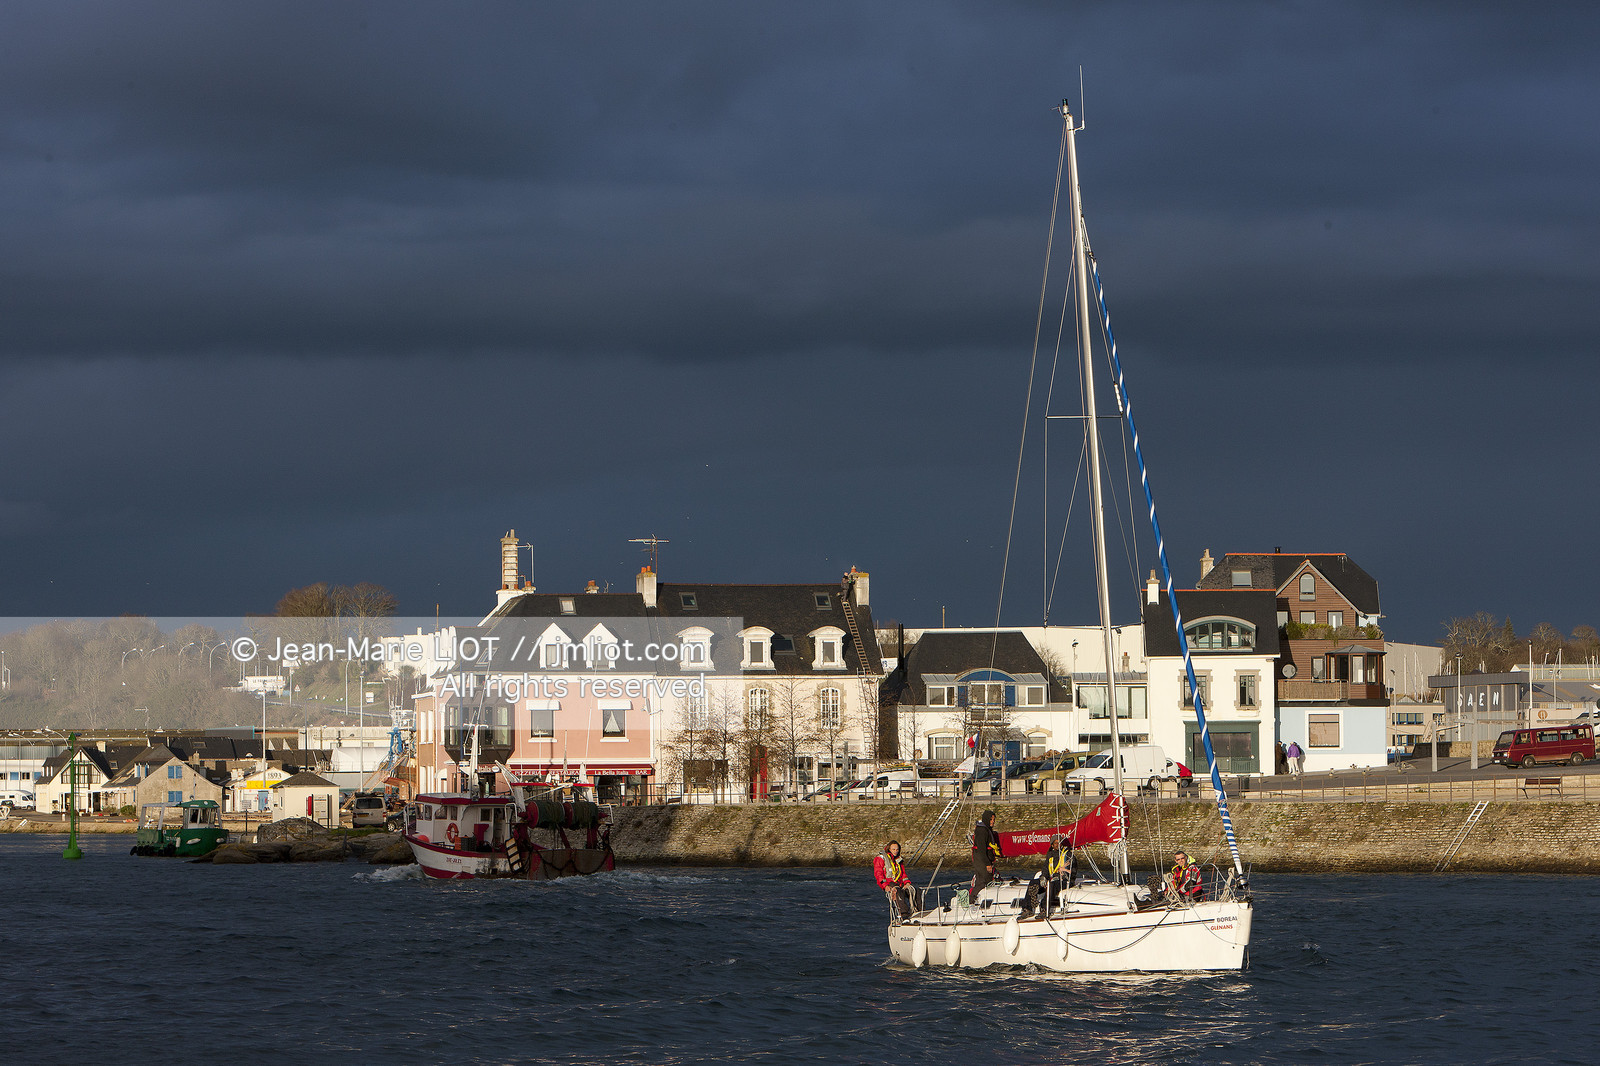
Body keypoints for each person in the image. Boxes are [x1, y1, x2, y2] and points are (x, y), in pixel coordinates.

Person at [1020, 836, 1072, 918]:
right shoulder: (1050, 855)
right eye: (1055, 843)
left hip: (1062, 880)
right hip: (1051, 879)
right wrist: (1043, 877)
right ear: (1052, 845)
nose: (1058, 844)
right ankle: (1027, 909)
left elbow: (1070, 869)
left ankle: (1044, 909)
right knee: (1033, 883)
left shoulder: (1067, 854)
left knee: (1051, 884)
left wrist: (1058, 877)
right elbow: (1046, 868)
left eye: (1059, 842)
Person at [874, 840, 914, 918]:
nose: (895, 851)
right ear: (889, 849)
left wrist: (907, 883)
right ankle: (904, 914)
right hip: (890, 882)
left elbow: (903, 874)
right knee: (898, 891)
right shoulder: (881, 858)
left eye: (897, 849)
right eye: (894, 849)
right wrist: (885, 886)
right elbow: (878, 874)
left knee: (915, 891)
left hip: (899, 882)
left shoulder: (898, 860)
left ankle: (918, 911)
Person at [970, 809, 1002, 896]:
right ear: (986, 819)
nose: (992, 822)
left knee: (989, 881)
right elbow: (981, 849)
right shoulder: (982, 831)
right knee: (982, 882)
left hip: (987, 860)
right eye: (991, 820)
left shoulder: (988, 829)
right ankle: (971, 900)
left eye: (993, 820)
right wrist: (987, 864)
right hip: (981, 861)